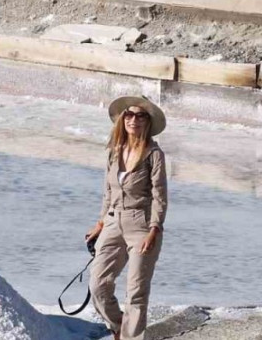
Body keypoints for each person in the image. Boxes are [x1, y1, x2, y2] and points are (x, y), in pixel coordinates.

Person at [84, 95, 168, 340]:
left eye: (140, 115)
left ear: (148, 122)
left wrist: (155, 228)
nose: (133, 120)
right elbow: (108, 191)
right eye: (129, 115)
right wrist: (100, 223)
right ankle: (119, 326)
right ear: (122, 119)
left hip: (141, 224)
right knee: (98, 284)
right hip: (112, 221)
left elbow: (159, 195)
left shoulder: (154, 154)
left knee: (136, 292)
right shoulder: (114, 151)